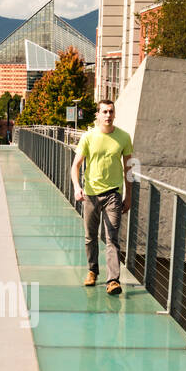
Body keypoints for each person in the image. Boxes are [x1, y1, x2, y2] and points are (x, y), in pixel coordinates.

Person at [70, 99, 134, 295]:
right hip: (90, 194)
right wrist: (76, 187)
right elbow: (76, 166)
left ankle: (113, 280)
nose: (108, 115)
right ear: (97, 115)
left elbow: (130, 169)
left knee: (112, 238)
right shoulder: (88, 137)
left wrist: (129, 196)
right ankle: (92, 270)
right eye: (104, 112)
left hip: (113, 194)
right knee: (90, 237)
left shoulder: (124, 137)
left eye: (111, 112)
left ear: (114, 114)